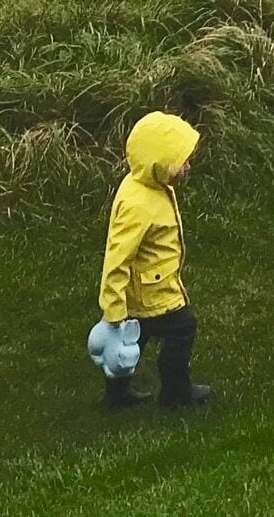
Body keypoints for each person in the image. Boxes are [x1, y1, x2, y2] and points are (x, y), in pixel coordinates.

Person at [97, 110, 213, 410]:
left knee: (132, 338)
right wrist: (112, 306)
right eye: (181, 162)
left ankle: (117, 394)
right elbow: (117, 257)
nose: (187, 167)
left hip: (143, 289)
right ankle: (176, 391)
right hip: (153, 292)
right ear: (159, 164)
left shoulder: (145, 184)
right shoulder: (140, 204)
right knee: (182, 328)